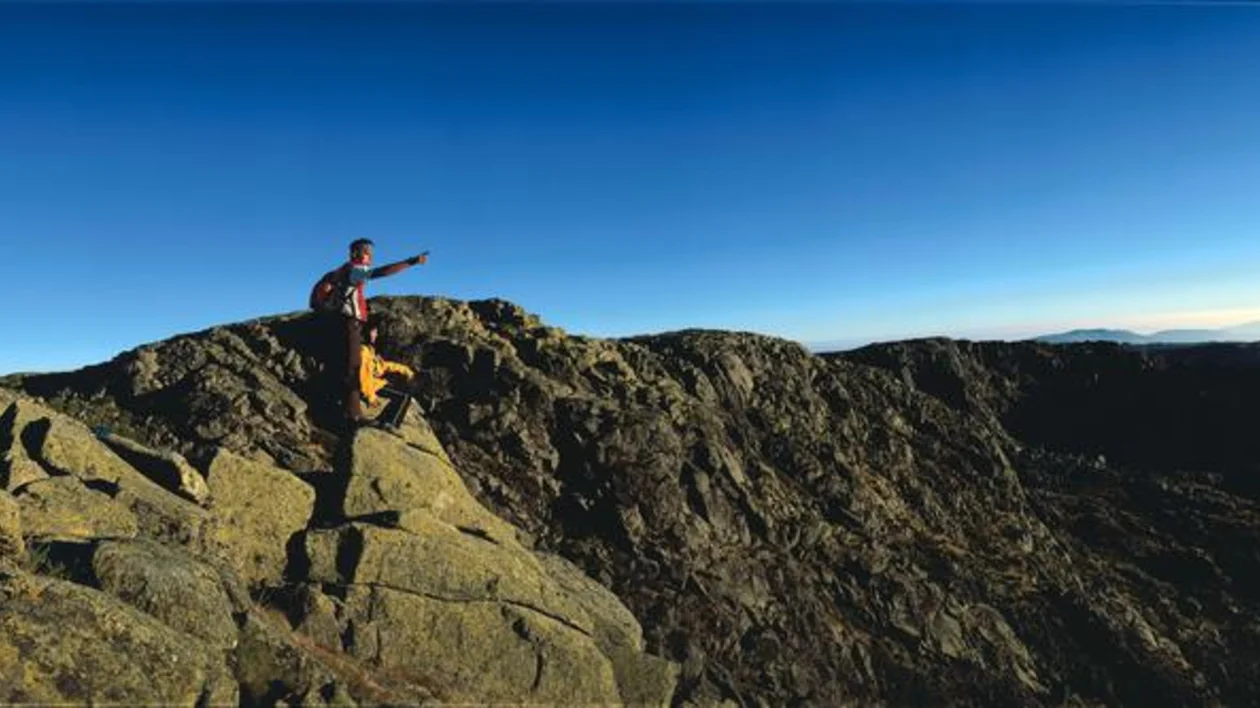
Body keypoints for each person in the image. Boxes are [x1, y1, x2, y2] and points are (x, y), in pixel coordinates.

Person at [327, 238, 427, 427]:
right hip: (350, 323)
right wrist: (411, 262)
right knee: (354, 369)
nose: (370, 256)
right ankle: (354, 415)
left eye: (371, 252)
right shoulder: (353, 269)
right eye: (366, 252)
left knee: (352, 367)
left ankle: (352, 412)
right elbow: (380, 272)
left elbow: (386, 366)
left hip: (346, 323)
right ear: (355, 253)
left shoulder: (341, 271)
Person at [360, 318, 416, 429]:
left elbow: (383, 366)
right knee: (403, 396)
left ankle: (385, 422)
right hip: (369, 387)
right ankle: (389, 424)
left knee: (401, 392)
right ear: (367, 333)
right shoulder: (363, 352)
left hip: (374, 384)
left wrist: (405, 370)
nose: (376, 335)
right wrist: (371, 397)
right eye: (374, 332)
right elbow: (363, 378)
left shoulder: (370, 350)